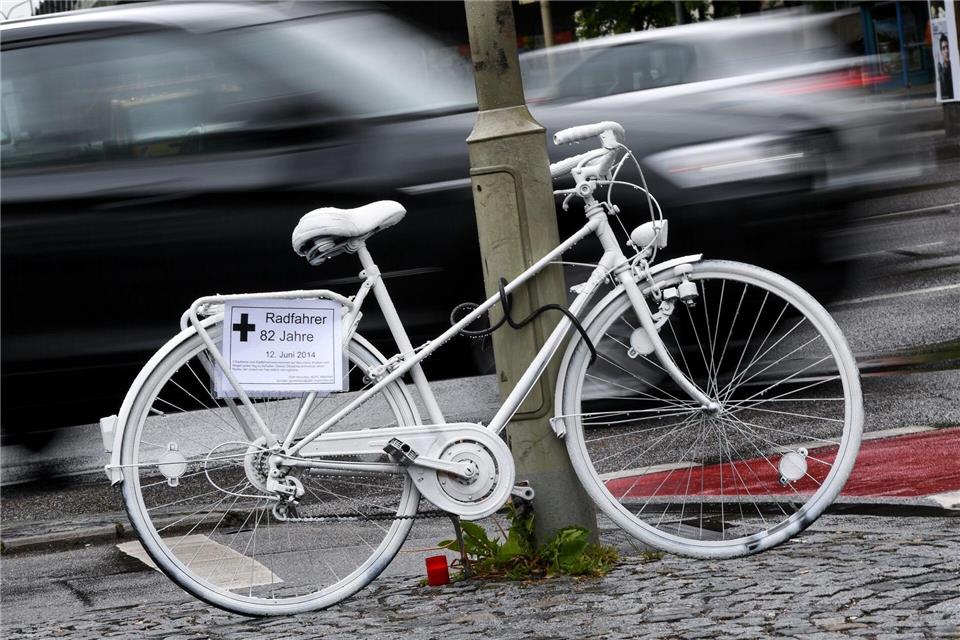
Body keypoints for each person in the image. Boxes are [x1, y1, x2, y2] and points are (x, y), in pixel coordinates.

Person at [939, 33, 954, 100]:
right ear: (941, 51)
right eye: (943, 48)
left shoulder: (954, 67)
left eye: (947, 47)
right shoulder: (940, 69)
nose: (946, 51)